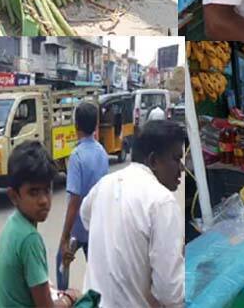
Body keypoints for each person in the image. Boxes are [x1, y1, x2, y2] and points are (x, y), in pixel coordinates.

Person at [77, 121, 184, 307]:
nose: (181, 168)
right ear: (153, 161)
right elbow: (170, 293)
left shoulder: (105, 183)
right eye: (176, 159)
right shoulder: (162, 201)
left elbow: (86, 215)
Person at [0, 141, 80, 308]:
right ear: (13, 196)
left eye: (47, 190)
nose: (43, 200)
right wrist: (69, 297)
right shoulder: (30, 239)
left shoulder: (14, 222)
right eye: (33, 192)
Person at [57, 101, 109, 289]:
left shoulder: (76, 156)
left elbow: (74, 201)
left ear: (75, 125)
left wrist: (64, 236)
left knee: (61, 262)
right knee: (96, 273)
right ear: (95, 125)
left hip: (77, 230)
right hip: (96, 226)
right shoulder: (102, 152)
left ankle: (63, 297)